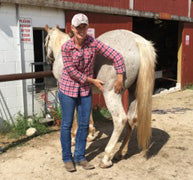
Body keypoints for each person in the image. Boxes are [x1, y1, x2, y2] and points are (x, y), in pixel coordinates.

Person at [58, 13, 125, 172]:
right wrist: (93, 81)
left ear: (87, 27)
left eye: (84, 26)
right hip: (68, 90)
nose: (81, 29)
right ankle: (67, 158)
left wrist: (120, 77)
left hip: (84, 91)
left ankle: (80, 157)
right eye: (78, 26)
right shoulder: (66, 47)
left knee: (83, 125)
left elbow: (116, 55)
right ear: (72, 28)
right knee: (67, 125)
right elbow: (72, 72)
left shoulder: (93, 43)